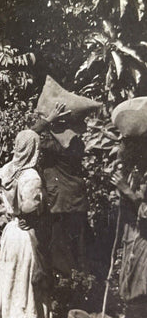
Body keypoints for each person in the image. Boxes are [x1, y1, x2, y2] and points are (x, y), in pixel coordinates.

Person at [0, 130, 52, 318]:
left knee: (11, 277)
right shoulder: (31, 176)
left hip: (11, 231)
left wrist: (1, 196)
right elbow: (29, 207)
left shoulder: (11, 169)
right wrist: (35, 214)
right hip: (26, 232)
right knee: (25, 280)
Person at [32, 102, 92, 275]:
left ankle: (66, 288)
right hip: (76, 200)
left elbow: (28, 136)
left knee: (60, 250)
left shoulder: (56, 146)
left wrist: (47, 120)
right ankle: (81, 284)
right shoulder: (76, 143)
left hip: (60, 203)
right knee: (78, 247)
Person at [111, 137, 147, 318]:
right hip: (135, 229)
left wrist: (126, 189)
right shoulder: (137, 168)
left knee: (142, 273)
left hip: (144, 233)